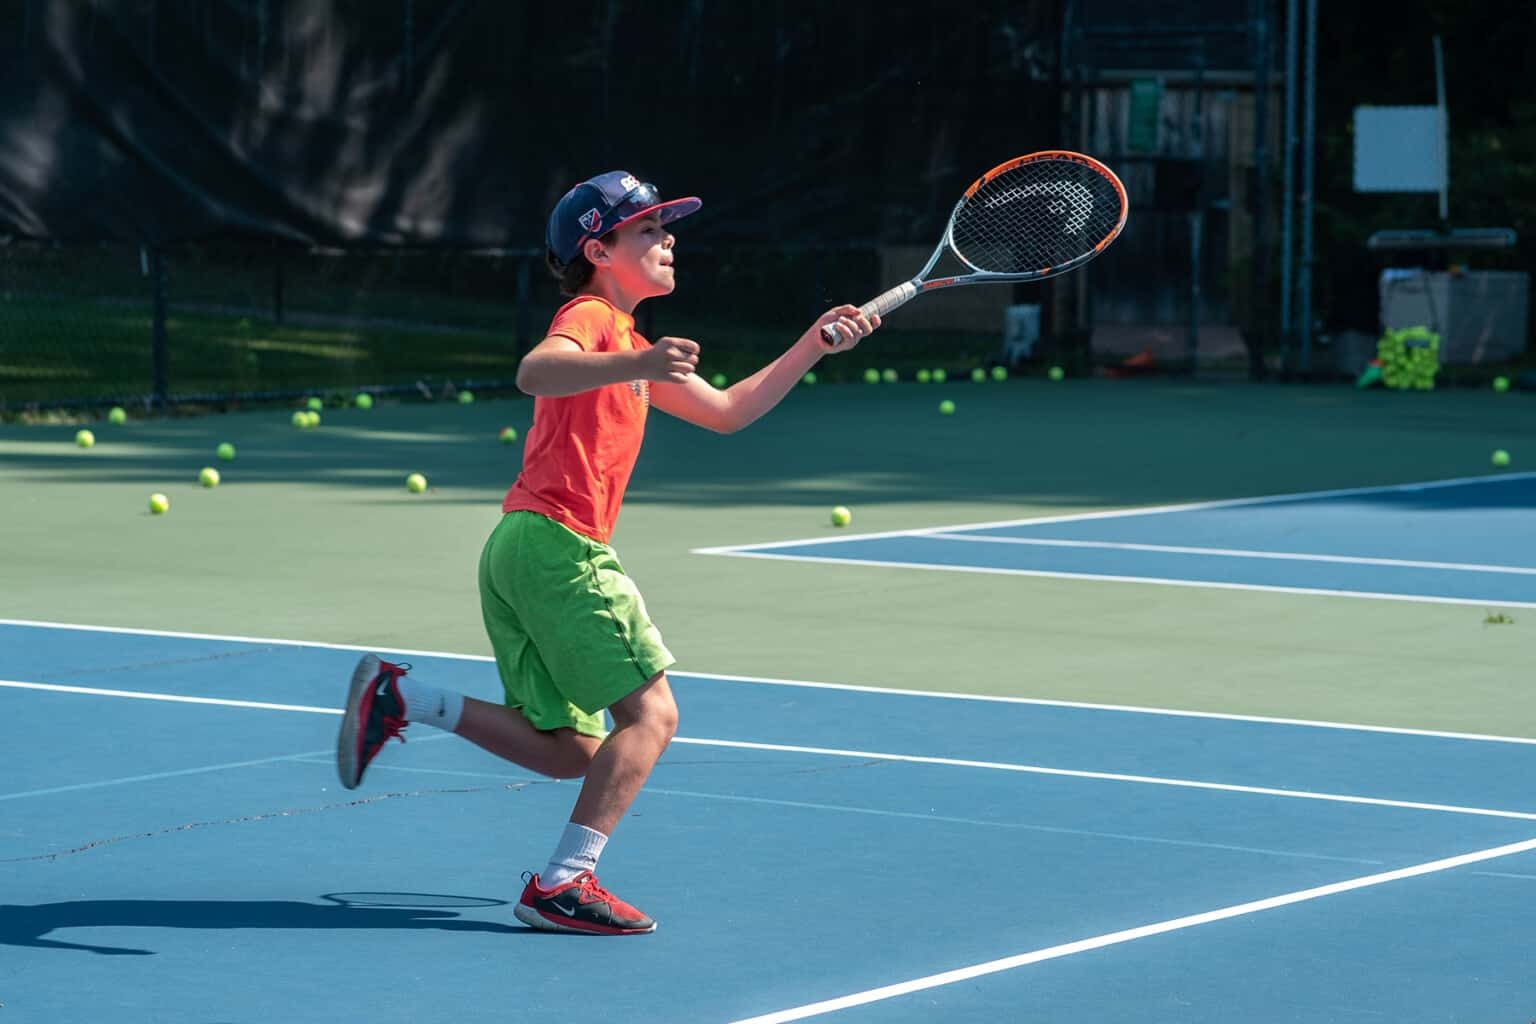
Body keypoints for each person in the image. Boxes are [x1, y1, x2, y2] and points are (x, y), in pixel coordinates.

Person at [335, 170, 878, 935]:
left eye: (665, 227)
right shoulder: (593, 317)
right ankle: (563, 884)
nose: (668, 239)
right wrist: (642, 364)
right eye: (649, 230)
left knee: (572, 749)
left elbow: (728, 412)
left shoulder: (627, 341)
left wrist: (811, 344)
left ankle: (403, 699)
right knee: (652, 716)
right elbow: (535, 371)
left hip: (522, 548)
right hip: (558, 545)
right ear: (599, 248)